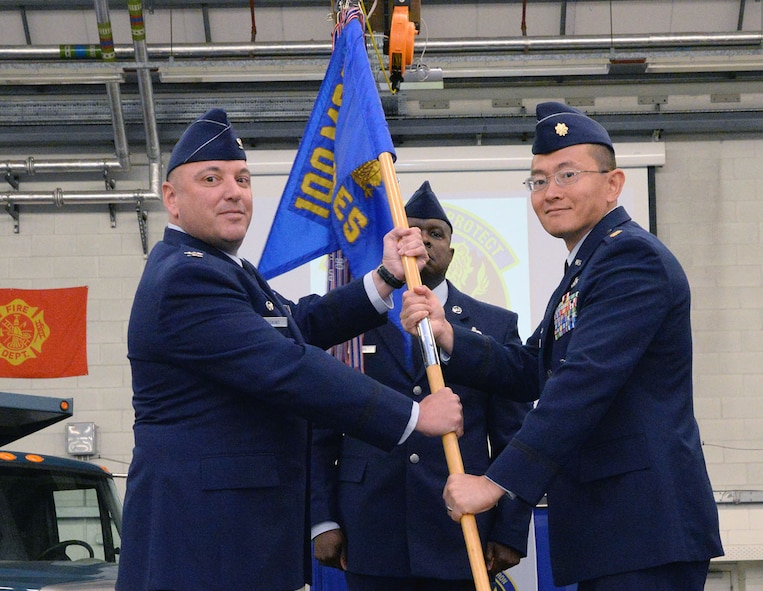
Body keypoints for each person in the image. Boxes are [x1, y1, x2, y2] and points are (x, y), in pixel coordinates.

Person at [116, 108, 464, 591]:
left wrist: (384, 279)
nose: (233, 191)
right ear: (171, 200)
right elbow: (287, 366)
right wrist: (412, 417)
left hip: (234, 534)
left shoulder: (224, 268)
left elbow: (297, 325)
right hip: (205, 539)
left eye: (242, 178)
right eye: (211, 178)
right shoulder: (186, 277)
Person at [402, 102, 723, 591]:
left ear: (613, 184)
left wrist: (493, 483)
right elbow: (535, 366)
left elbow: (582, 383)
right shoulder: (585, 265)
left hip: (643, 526)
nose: (549, 193)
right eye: (538, 180)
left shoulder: (630, 259)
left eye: (567, 175)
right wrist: (449, 335)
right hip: (611, 528)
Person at [310, 181, 533, 591]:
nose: (425, 241)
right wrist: (322, 518)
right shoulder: (352, 317)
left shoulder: (496, 325)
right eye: (413, 230)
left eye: (436, 233)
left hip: (458, 530)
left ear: (452, 250)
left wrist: (510, 528)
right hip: (371, 527)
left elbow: (512, 435)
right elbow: (323, 425)